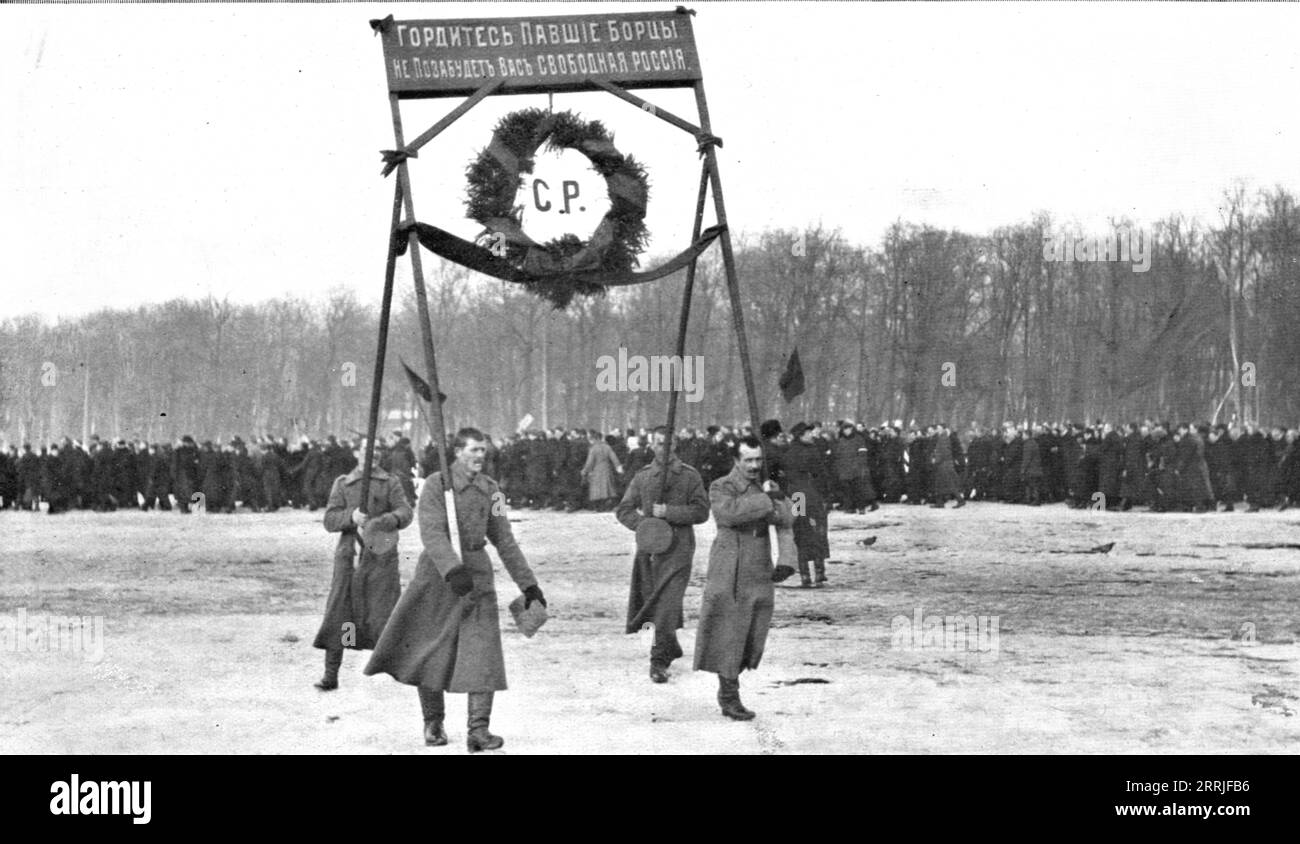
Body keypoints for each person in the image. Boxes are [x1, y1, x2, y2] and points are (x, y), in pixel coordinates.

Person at [365, 428, 546, 752]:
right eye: (474, 450)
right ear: (458, 452)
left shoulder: (493, 491)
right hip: (438, 576)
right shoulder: (436, 485)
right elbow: (432, 533)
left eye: (483, 451)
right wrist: (452, 569)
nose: (480, 456)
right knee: (429, 649)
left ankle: (478, 731)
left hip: (477, 577)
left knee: (483, 651)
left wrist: (528, 584)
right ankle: (433, 722)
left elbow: (504, 539)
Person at [693, 436, 795, 720]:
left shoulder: (765, 485)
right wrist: (765, 499)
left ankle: (731, 688)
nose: (754, 465)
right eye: (748, 460)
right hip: (731, 568)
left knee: (753, 632)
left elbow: (787, 519)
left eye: (758, 460)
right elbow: (729, 514)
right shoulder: (720, 486)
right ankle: (728, 696)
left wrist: (777, 496)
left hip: (759, 569)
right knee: (730, 633)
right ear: (736, 461)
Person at [312, 440, 413, 692]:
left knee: (383, 612)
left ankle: (399, 669)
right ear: (358, 453)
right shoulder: (342, 483)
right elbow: (329, 519)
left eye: (378, 451)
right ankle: (331, 674)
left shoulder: (390, 482)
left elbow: (406, 511)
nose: (373, 456)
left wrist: (388, 520)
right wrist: (351, 517)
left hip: (381, 556)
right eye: (368, 451)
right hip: (350, 557)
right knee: (341, 613)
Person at [615, 426, 710, 683]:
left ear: (675, 445)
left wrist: (669, 512)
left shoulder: (689, 477)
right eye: (658, 444)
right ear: (651, 446)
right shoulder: (643, 477)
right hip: (651, 551)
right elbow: (623, 509)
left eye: (667, 444)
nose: (663, 449)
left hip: (679, 550)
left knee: (667, 604)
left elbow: (702, 512)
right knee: (657, 605)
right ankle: (671, 646)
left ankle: (657, 660)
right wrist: (644, 526)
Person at [582, 429, 623, 511]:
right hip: (607, 469)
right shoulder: (607, 447)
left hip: (596, 470)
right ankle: (607, 505)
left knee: (598, 489)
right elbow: (614, 458)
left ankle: (599, 507)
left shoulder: (593, 449)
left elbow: (590, 462)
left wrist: (585, 470)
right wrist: (618, 467)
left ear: (593, 439)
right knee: (607, 488)